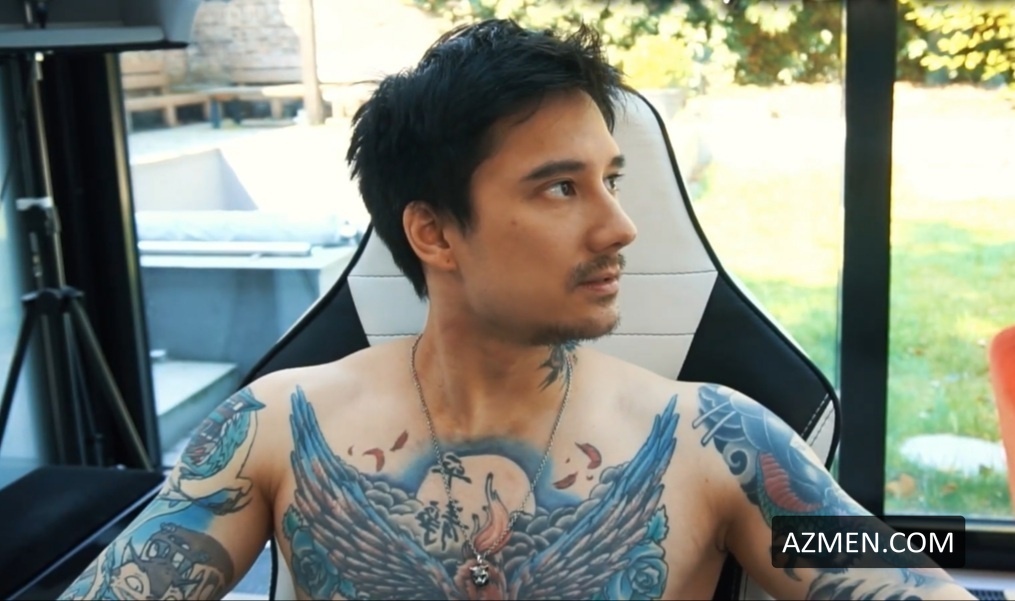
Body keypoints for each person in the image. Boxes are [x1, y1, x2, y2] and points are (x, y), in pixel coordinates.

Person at [60, 19, 974, 601]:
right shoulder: (275, 426)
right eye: (560, 188)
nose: (619, 227)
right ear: (434, 232)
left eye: (610, 179)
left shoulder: (714, 440)